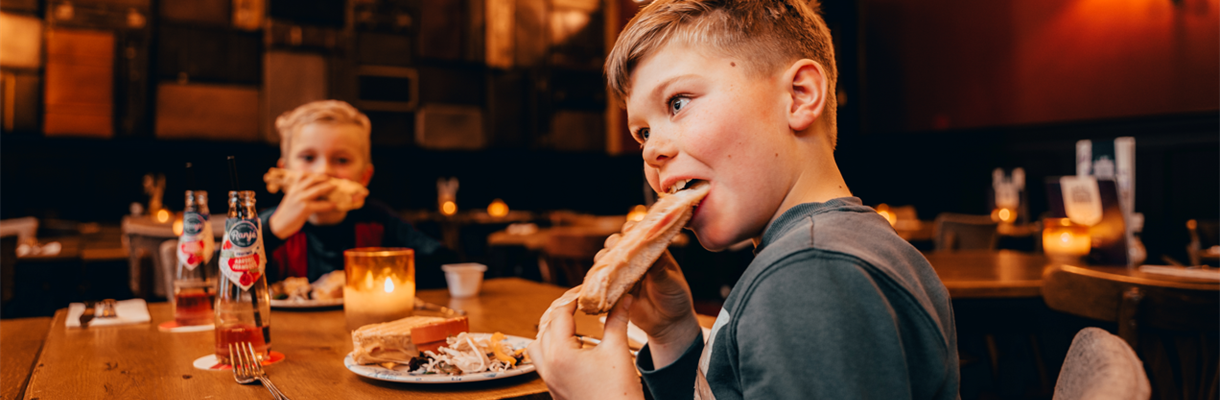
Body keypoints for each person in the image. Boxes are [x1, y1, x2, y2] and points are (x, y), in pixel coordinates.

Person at [526, 1, 959, 399]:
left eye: (677, 103)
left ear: (800, 96)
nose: (650, 150)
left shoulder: (809, 273)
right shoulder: (822, 252)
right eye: (641, 132)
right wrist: (673, 335)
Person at [259, 100, 455, 289]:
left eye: (341, 160)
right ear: (284, 172)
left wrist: (372, 274)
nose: (323, 171)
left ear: (364, 177)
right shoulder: (265, 226)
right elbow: (233, 285)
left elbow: (446, 264)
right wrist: (273, 231)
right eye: (308, 158)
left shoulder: (377, 221)